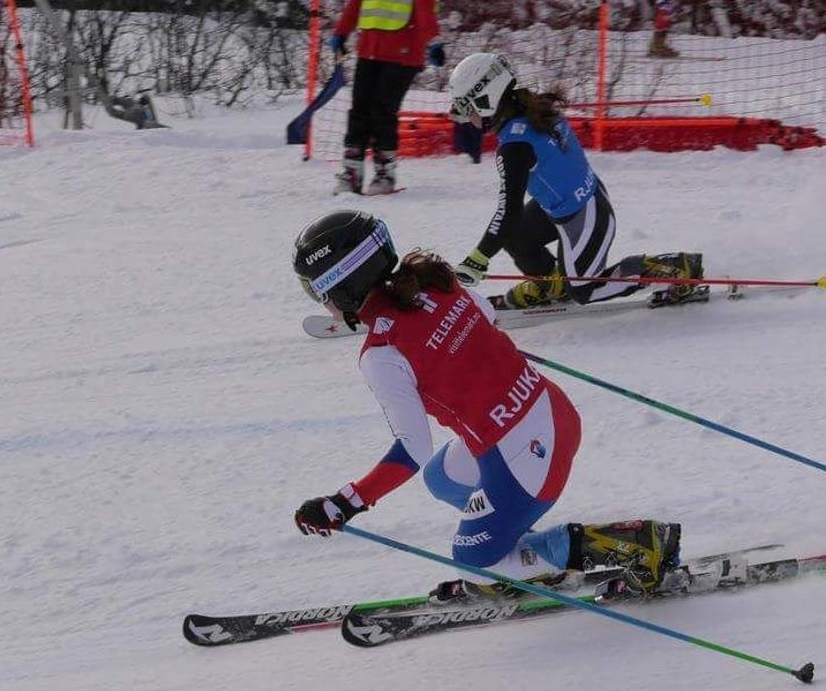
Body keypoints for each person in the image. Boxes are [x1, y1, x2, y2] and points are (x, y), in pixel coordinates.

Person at [291, 209, 681, 600]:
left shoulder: (381, 354)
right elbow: (486, 314)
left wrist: (346, 502)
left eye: (316, 290)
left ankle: (636, 545)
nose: (321, 301)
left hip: (525, 460)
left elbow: (413, 449)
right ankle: (523, 556)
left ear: (342, 285)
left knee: (472, 563)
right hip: (553, 413)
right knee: (442, 477)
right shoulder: (432, 281)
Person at [446, 52, 705, 310]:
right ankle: (553, 287)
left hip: (586, 218)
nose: (469, 118)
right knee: (515, 236)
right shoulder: (532, 108)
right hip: (577, 200)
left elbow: (508, 210)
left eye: (469, 108)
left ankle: (675, 266)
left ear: (486, 100)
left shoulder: (514, 147)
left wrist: (478, 259)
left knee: (583, 290)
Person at [328, 0, 444, 196]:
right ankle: (352, 172)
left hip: (403, 53)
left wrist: (433, 41)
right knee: (359, 109)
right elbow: (356, 2)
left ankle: (385, 173)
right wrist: (341, 33)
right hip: (369, 50)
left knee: (382, 110)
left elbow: (424, 6)